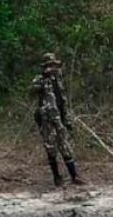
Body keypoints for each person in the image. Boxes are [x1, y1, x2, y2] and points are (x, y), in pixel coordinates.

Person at [31, 53, 83, 186]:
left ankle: (74, 176)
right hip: (47, 119)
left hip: (60, 118)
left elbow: (63, 101)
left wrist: (68, 120)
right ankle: (57, 177)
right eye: (51, 65)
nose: (53, 68)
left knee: (65, 146)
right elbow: (31, 91)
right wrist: (43, 78)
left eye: (55, 65)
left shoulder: (58, 80)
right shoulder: (40, 80)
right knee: (51, 148)